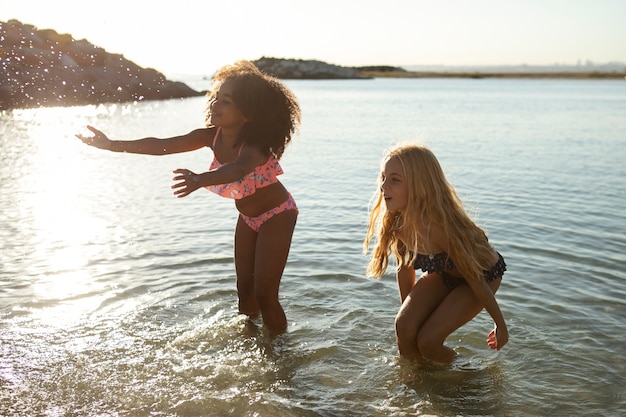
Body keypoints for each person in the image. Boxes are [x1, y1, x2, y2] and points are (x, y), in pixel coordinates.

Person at [77, 60, 301, 336]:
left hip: (277, 215)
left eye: (226, 101)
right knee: (244, 291)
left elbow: (238, 169)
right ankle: (252, 341)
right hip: (248, 218)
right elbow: (162, 145)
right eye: (217, 97)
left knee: (266, 294)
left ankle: (280, 352)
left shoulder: (253, 146)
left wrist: (200, 179)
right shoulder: (211, 136)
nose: (215, 104)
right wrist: (112, 145)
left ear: (248, 113)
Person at [363, 143, 508, 364]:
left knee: (428, 341)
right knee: (404, 328)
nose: (384, 186)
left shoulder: (438, 228)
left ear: (419, 186)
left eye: (394, 180)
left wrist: (500, 325)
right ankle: (415, 382)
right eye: (383, 177)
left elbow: (475, 279)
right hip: (445, 273)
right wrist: (410, 317)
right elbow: (405, 270)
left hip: (480, 276)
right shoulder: (397, 222)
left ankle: (467, 374)